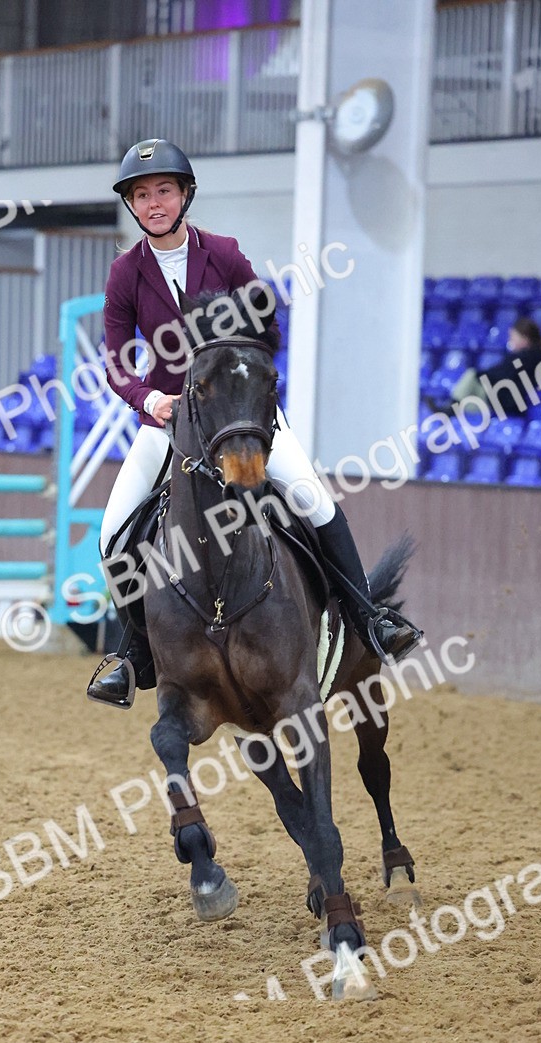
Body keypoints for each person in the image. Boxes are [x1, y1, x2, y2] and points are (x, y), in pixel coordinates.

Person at [87, 138, 421, 707]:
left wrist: (232, 377)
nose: (153, 203)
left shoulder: (224, 253)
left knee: (313, 500)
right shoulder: (125, 274)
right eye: (141, 195)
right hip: (168, 421)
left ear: (185, 194)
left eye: (163, 190)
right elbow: (118, 361)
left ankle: (370, 619)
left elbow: (268, 334)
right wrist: (150, 401)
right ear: (132, 206)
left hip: (238, 417)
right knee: (113, 535)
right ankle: (134, 653)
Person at [447, 317, 541, 415]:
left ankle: (452, 408)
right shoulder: (532, 355)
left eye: (513, 337)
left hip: (509, 403)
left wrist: (480, 374)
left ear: (525, 339)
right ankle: (453, 409)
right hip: (503, 397)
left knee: (472, 374)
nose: (510, 340)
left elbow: (501, 373)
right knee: (473, 383)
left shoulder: (526, 357)